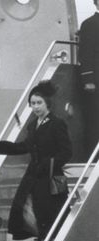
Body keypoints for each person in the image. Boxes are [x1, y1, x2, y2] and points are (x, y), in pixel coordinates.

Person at [0, 80, 72, 241]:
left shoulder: (57, 123)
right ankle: (42, 237)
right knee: (26, 207)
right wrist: (4, 147)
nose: (35, 107)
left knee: (47, 210)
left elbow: (66, 152)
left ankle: (46, 239)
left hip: (50, 175)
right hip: (34, 174)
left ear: (47, 103)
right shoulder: (33, 125)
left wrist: (49, 163)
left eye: (39, 103)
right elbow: (25, 146)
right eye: (32, 103)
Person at [79, 0, 99, 156]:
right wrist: (88, 80)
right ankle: (94, 156)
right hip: (96, 81)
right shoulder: (90, 24)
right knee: (95, 119)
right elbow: (85, 53)